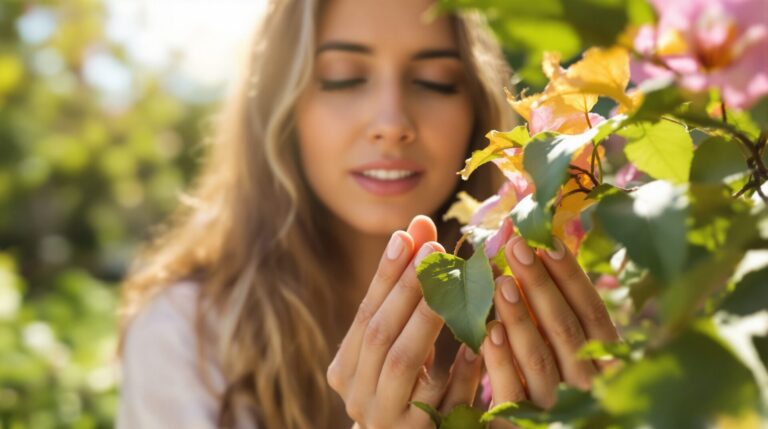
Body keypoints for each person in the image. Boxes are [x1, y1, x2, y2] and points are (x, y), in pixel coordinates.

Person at [116, 0, 618, 428]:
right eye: (343, 78)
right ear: (280, 106)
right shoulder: (187, 337)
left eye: (435, 80)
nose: (392, 123)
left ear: (475, 112)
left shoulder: (549, 318)